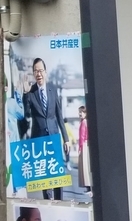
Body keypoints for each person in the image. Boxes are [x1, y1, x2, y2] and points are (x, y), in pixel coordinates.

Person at [23, 58, 69, 201]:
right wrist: (25, 95)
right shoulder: (31, 92)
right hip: (39, 139)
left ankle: (59, 201)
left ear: (45, 72)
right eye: (35, 71)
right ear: (33, 73)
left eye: (41, 70)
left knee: (57, 173)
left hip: (54, 136)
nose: (38, 74)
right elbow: (27, 115)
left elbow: (59, 115)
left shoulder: (52, 90)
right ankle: (48, 201)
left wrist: (66, 139)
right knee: (44, 173)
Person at [77, 105, 91, 194]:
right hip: (87, 144)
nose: (80, 114)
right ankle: (89, 186)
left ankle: (88, 186)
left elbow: (82, 136)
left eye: (81, 112)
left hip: (84, 145)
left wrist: (80, 147)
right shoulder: (86, 122)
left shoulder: (83, 122)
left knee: (84, 166)